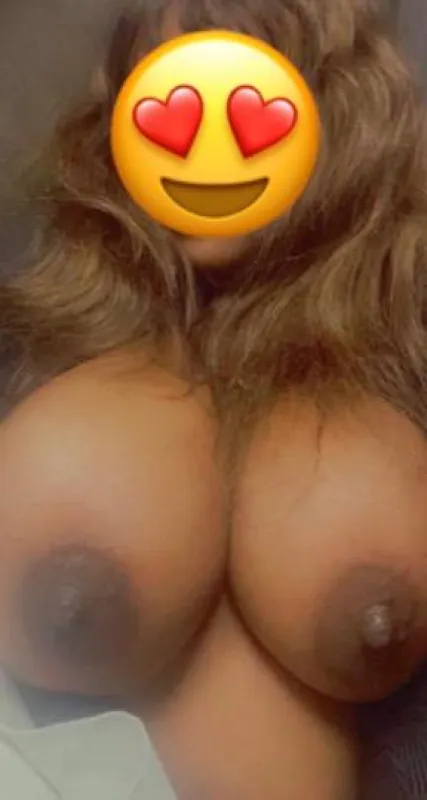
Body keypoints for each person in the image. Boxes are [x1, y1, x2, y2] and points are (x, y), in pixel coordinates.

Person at [1, 0, 427, 796]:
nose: (209, 149)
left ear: (338, 117)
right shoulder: (31, 345)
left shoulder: (407, 355)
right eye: (173, 103)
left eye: (248, 102)